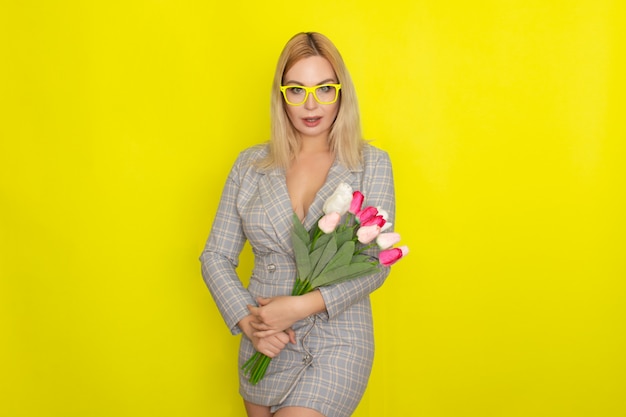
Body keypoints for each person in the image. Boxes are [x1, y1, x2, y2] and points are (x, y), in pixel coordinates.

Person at [200, 32, 396, 417]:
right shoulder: (249, 166)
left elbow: (376, 262)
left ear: (341, 93)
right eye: (296, 90)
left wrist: (302, 306)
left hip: (338, 336)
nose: (311, 104)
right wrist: (248, 320)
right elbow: (215, 256)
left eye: (324, 88)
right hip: (267, 339)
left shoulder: (372, 163)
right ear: (281, 96)